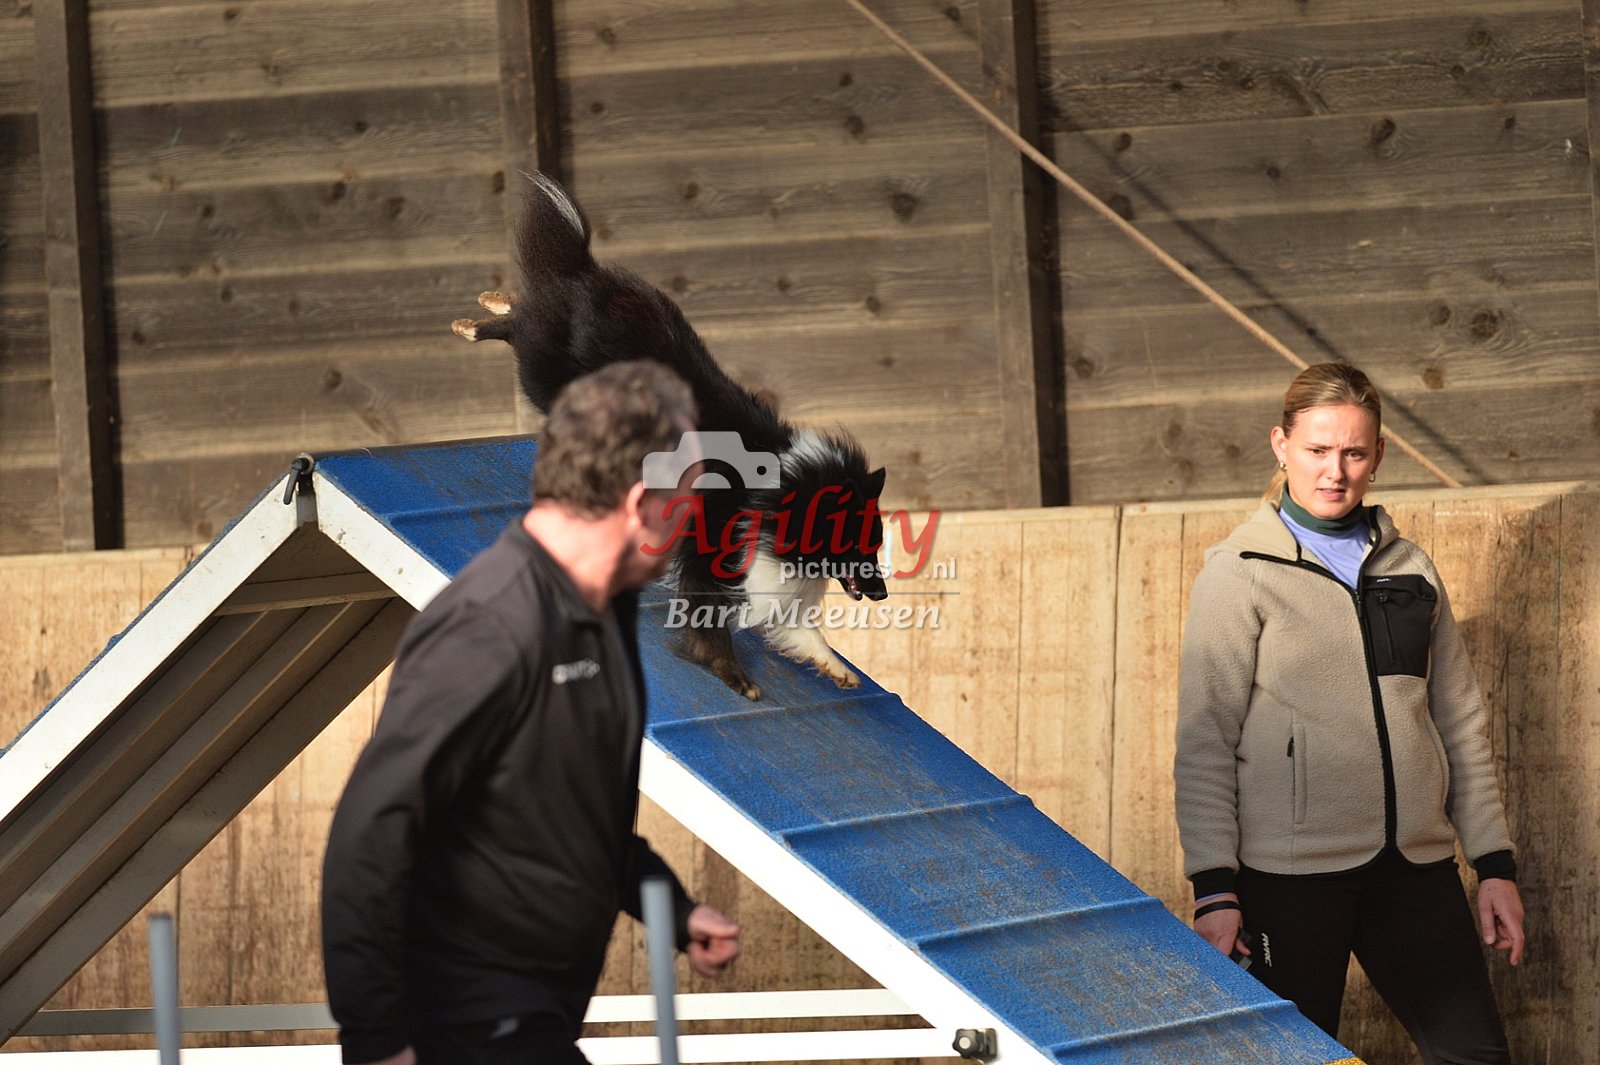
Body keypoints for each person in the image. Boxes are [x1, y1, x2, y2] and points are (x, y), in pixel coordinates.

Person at [321, 361, 742, 1065]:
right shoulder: (491, 622)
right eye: (692, 502)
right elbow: (371, 830)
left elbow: (566, 814)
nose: (698, 523)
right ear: (641, 504)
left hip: (533, 1012)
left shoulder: (604, 608)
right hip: (463, 1018)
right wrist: (375, 1041)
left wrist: (671, 907)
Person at [1174, 363, 1524, 1063]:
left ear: (1378, 455)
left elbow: (1459, 725)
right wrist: (1214, 888)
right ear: (1281, 445)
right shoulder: (1238, 571)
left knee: (1476, 1056)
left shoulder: (1411, 570)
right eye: (1317, 450)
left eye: (1354, 453)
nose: (1335, 472)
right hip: (1288, 880)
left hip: (1416, 868)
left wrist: (1494, 864)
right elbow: (1205, 740)